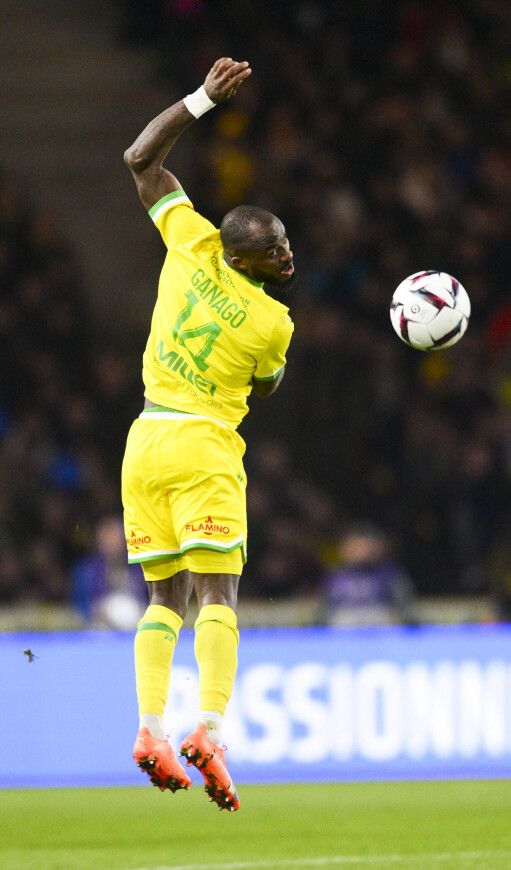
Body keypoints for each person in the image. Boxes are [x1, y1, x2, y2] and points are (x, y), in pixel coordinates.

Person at [122, 57, 296, 810]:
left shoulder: (190, 241)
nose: (288, 255)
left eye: (286, 244)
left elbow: (140, 159)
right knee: (217, 591)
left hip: (144, 442)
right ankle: (211, 728)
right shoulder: (272, 322)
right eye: (276, 250)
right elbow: (264, 383)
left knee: (163, 601)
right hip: (202, 446)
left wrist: (199, 100)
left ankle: (149, 728)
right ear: (245, 258)